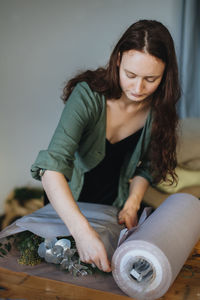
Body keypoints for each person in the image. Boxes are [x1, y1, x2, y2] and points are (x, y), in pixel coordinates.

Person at [31, 20, 180, 273]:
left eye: (151, 79)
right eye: (130, 75)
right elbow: (51, 168)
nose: (138, 88)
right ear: (118, 60)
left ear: (165, 74)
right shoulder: (87, 95)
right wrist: (81, 232)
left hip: (114, 204)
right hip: (69, 203)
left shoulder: (159, 109)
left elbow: (147, 168)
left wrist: (132, 203)